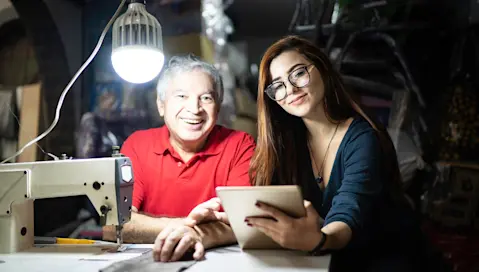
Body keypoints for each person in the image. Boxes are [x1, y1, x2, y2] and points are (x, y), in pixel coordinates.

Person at [245, 36, 434, 271]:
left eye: (299, 73)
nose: (291, 90)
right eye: (279, 86)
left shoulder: (363, 138)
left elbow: (347, 212)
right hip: (325, 260)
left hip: (383, 259)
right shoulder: (285, 145)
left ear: (322, 69)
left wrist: (319, 240)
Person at [103, 55, 255, 262]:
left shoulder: (239, 145)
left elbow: (245, 222)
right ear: (161, 105)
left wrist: (195, 234)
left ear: (218, 108)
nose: (195, 109)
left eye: (206, 98)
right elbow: (113, 226)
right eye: (182, 96)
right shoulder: (137, 145)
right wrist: (187, 227)